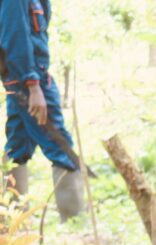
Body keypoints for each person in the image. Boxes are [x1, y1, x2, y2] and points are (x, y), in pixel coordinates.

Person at [0, 0, 84, 220]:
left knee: (17, 149)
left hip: (28, 78)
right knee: (60, 145)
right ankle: (74, 220)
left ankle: (10, 224)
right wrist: (32, 85)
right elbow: (14, 37)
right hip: (28, 80)